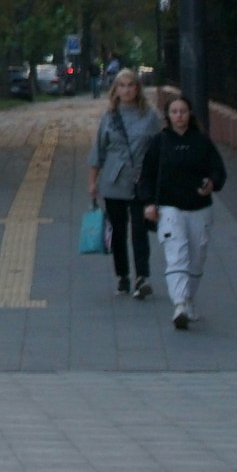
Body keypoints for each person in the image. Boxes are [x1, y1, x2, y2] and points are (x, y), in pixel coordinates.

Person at [145, 88, 227, 330]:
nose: (179, 116)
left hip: (199, 207)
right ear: (167, 116)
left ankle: (189, 298)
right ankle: (179, 303)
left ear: (190, 114)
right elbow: (147, 175)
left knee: (197, 257)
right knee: (176, 253)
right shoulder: (159, 142)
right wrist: (149, 203)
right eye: (174, 112)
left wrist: (211, 183)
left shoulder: (202, 142)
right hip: (170, 209)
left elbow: (218, 170)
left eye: (183, 111)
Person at [89, 65, 162, 301]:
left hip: (141, 180)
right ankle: (123, 275)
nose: (127, 89)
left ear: (138, 88)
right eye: (122, 85)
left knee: (140, 230)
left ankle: (143, 277)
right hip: (114, 179)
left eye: (131, 85)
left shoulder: (150, 116)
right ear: (116, 90)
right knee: (118, 232)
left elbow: (159, 150)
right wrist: (93, 181)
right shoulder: (109, 117)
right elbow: (98, 150)